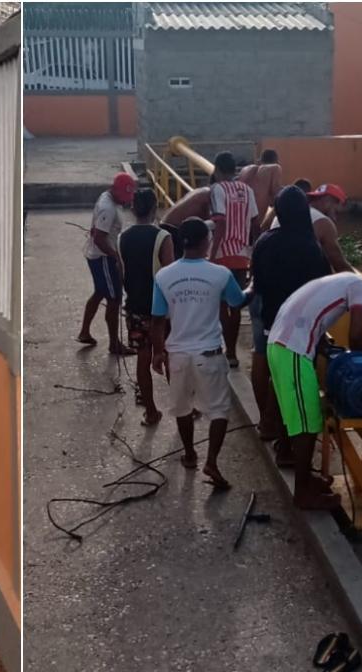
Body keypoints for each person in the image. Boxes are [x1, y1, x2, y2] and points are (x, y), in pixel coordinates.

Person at [267, 272, 362, 510]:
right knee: (309, 420)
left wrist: (322, 344)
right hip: (293, 349)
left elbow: (313, 317)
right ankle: (302, 493)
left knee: (289, 407)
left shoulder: (337, 281)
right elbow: (356, 333)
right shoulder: (361, 286)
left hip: (278, 343)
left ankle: (287, 455)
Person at [150, 217, 246, 490]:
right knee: (218, 411)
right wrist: (251, 288)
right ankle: (212, 461)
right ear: (206, 242)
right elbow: (237, 302)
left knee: (182, 407)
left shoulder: (164, 276)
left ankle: (190, 454)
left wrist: (158, 353)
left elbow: (157, 319)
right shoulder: (220, 273)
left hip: (177, 354)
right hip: (210, 353)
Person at [250, 186, 333, 465]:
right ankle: (287, 447)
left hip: (272, 320)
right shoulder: (312, 249)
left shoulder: (265, 242)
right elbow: (321, 289)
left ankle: (268, 425)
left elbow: (257, 282)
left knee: (273, 373)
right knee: (296, 390)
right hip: (300, 331)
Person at [118, 188, 174, 426]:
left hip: (135, 307)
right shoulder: (163, 237)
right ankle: (184, 407)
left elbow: (122, 272)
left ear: (133, 209)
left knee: (143, 357)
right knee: (171, 355)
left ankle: (151, 411)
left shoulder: (123, 238)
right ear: (155, 208)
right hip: (160, 309)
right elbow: (171, 273)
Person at [209, 152, 260, 369]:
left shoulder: (217, 189)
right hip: (242, 254)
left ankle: (225, 348)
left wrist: (211, 255)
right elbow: (256, 223)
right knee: (236, 305)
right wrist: (253, 250)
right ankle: (232, 353)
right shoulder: (247, 190)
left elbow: (219, 223)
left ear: (218, 170)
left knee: (221, 304)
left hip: (222, 254)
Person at [77, 172, 136, 356]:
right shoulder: (107, 208)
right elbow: (100, 237)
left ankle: (84, 332)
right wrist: (116, 256)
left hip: (98, 254)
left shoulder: (109, 198)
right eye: (124, 196)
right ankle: (114, 344)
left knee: (100, 292)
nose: (125, 201)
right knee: (114, 298)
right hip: (102, 256)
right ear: (115, 190)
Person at [268, 183, 353, 275]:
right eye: (337, 211)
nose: (336, 217)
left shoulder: (282, 216)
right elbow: (338, 263)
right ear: (328, 200)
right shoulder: (323, 222)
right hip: (299, 281)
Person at [237, 149, 283, 220]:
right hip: (256, 222)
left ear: (260, 161)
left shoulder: (245, 170)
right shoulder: (275, 168)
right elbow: (278, 199)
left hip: (238, 219)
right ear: (277, 161)